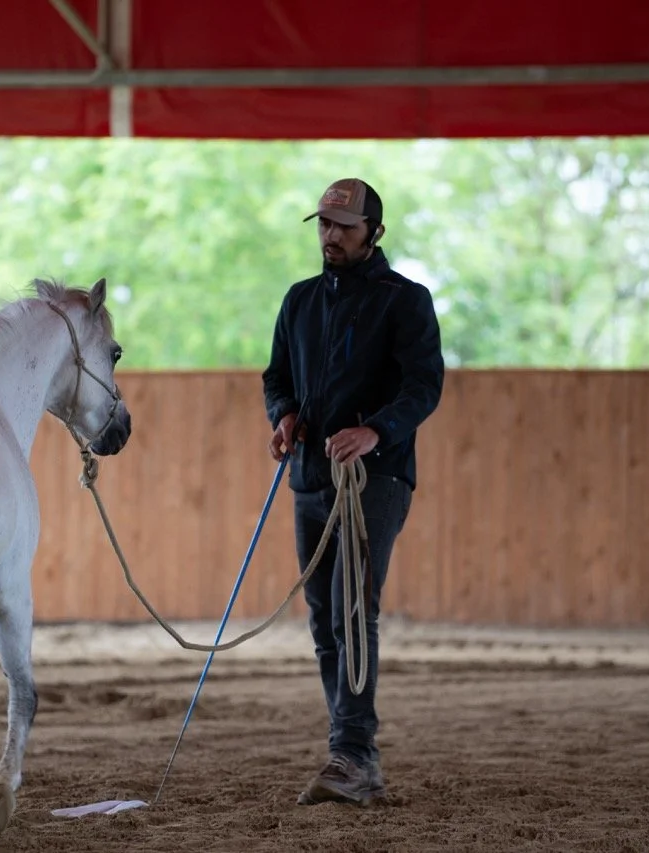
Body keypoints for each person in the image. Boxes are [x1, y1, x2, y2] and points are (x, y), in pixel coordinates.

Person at [261, 177, 445, 806]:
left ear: (374, 232)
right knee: (324, 620)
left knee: (351, 612)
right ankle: (350, 754)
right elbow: (276, 377)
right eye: (324, 224)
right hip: (310, 476)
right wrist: (284, 414)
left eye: (344, 226)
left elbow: (423, 387)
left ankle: (353, 754)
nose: (330, 236)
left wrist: (375, 431)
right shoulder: (300, 300)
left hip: (376, 478)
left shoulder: (406, 301)